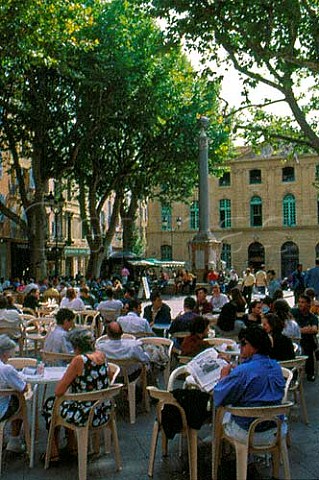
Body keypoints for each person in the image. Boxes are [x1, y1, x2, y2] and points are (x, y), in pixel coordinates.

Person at [42, 328, 112, 462]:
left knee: (50, 404)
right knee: (66, 403)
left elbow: (59, 391)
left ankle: (53, 451)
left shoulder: (79, 360)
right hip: (103, 410)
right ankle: (72, 445)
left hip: (85, 414)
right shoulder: (102, 356)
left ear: (77, 346)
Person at [214, 327, 286, 444]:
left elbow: (219, 397)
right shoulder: (276, 366)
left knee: (221, 412)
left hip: (248, 431)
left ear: (255, 346)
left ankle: (218, 449)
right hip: (276, 428)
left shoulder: (244, 371)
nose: (240, 347)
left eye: (243, 343)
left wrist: (223, 377)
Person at [0, 335, 29, 453]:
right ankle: (14, 440)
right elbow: (23, 388)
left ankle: (7, 439)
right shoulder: (6, 369)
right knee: (20, 400)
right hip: (2, 408)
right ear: (5, 353)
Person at [291, 294, 318, 381]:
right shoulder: (293, 312)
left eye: (302, 302)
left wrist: (298, 329)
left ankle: (310, 373)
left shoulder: (312, 317)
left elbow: (314, 330)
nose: (300, 304)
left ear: (308, 304)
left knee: (308, 343)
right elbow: (289, 327)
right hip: (292, 339)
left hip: (305, 340)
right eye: (299, 302)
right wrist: (305, 329)